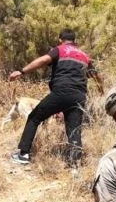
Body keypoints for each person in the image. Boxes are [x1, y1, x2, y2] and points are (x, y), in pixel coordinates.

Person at [7, 28, 103, 167]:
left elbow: (43, 60)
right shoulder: (84, 56)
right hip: (79, 96)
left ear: (60, 40)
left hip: (60, 93)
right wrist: (101, 90)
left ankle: (23, 154)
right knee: (74, 129)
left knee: (34, 117)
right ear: (75, 41)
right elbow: (96, 75)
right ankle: (74, 163)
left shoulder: (59, 50)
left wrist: (22, 71)